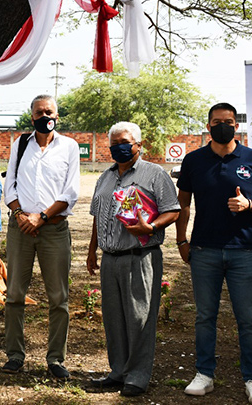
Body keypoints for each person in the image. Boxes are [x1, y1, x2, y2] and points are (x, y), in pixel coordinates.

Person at [176, 103, 252, 404]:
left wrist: (251, 205)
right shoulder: (194, 160)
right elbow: (183, 204)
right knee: (205, 317)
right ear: (208, 126)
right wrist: (181, 240)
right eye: (217, 122)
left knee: (247, 319)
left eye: (229, 122)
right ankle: (204, 374)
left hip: (243, 251)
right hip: (204, 250)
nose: (224, 126)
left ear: (237, 125)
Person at [86, 122, 180, 396]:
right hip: (110, 258)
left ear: (139, 144)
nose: (119, 148)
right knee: (113, 319)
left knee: (139, 319)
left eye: (125, 142)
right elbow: (97, 216)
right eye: (114, 144)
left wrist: (150, 227)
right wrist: (93, 250)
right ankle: (118, 371)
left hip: (140, 257)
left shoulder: (154, 174)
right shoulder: (104, 177)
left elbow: (172, 211)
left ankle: (137, 376)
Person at [2, 94, 80, 380]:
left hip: (54, 230)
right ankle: (14, 355)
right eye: (39, 112)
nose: (44, 116)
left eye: (49, 111)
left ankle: (56, 359)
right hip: (20, 229)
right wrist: (22, 214)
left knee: (58, 298)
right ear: (31, 115)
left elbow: (70, 192)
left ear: (57, 116)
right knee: (14, 295)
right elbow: (9, 185)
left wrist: (42, 217)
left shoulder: (69, 147)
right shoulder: (20, 144)